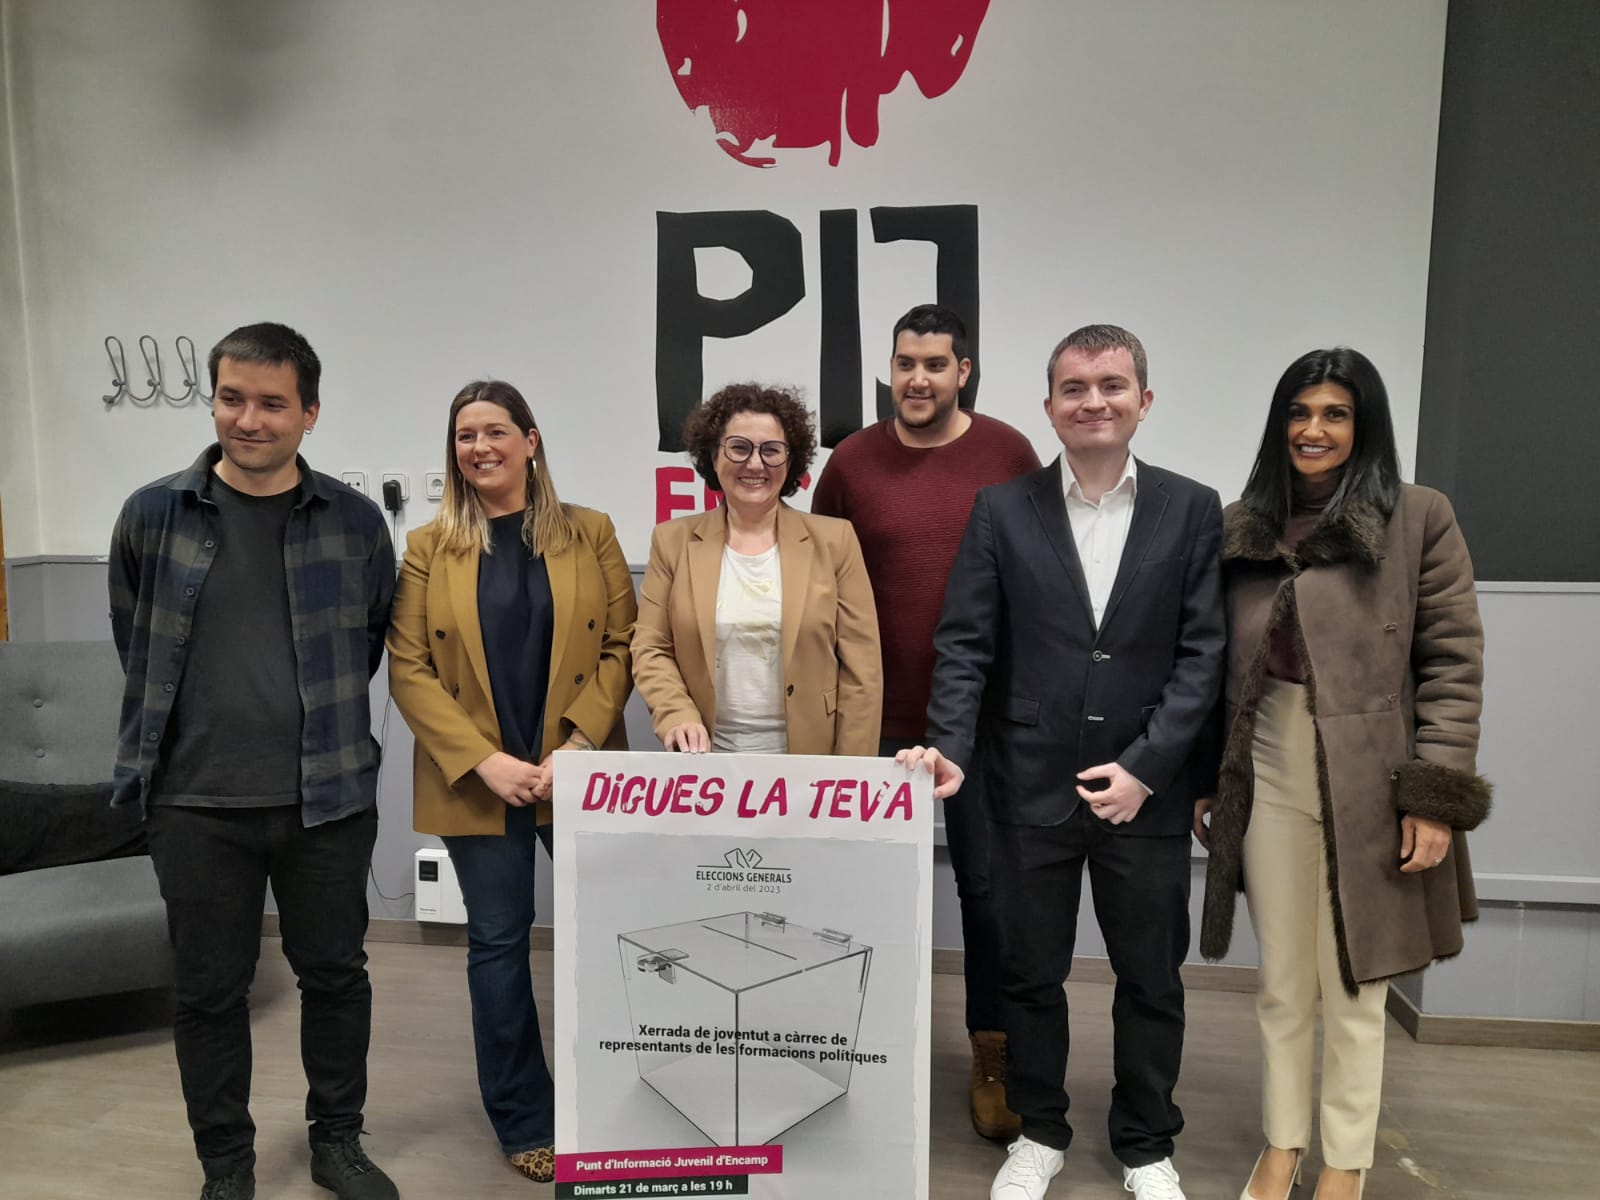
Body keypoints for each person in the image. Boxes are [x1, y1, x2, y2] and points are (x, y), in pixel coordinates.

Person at [899, 326, 1225, 1200]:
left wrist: (1148, 768)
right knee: (1029, 975)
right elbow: (965, 646)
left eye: (1112, 385)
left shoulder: (1193, 508)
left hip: (1145, 794)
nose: (1093, 402)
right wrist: (952, 749)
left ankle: (1146, 1145)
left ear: (1143, 401)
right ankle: (1039, 1132)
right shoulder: (1003, 509)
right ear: (1049, 407)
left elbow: (1204, 655)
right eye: (1074, 388)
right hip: (1024, 783)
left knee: (1150, 979)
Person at [108, 322, 398, 1200]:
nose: (249, 419)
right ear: (214, 400)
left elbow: (366, 643)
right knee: (207, 994)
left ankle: (337, 1142)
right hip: (194, 804)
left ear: (310, 413)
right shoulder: (152, 515)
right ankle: (226, 1168)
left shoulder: (354, 523)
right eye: (232, 398)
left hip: (327, 800)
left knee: (336, 978)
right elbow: (135, 641)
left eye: (273, 403)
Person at [1194, 348, 1490, 1200]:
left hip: (1374, 773)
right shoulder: (1243, 524)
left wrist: (1434, 798)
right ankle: (1282, 1144)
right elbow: (1212, 665)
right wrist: (1211, 780)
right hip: (1266, 759)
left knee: (1358, 983)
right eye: (1299, 412)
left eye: (1334, 413)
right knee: (1283, 982)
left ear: (1365, 426)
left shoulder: (1418, 517)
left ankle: (1346, 1159)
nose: (1313, 430)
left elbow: (1453, 664)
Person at [386, 380, 636, 1185]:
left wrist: (578, 743)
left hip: (578, 773)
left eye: (496, 431)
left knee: (617, 936)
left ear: (531, 442)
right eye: (465, 436)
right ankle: (524, 1118)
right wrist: (483, 761)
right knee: (498, 945)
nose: (480, 447)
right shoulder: (429, 545)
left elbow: (623, 646)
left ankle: (625, 1094)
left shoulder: (591, 531)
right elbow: (409, 668)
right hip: (477, 779)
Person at [812, 303, 1039, 1140]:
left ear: (963, 371)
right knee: (859, 894)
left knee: (987, 893)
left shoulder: (1009, 453)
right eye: (905, 363)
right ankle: (859, 1049)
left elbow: (1038, 575)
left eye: (935, 364)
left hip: (978, 726)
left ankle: (993, 1053)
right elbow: (818, 575)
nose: (917, 379)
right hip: (870, 719)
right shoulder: (851, 461)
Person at [633, 382, 881, 756]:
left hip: (812, 761)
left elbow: (863, 671)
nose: (754, 464)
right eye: (739, 447)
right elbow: (651, 647)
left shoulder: (836, 541)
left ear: (791, 461)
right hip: (704, 762)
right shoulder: (672, 542)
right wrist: (676, 713)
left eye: (771, 450)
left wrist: (849, 773)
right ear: (713, 455)